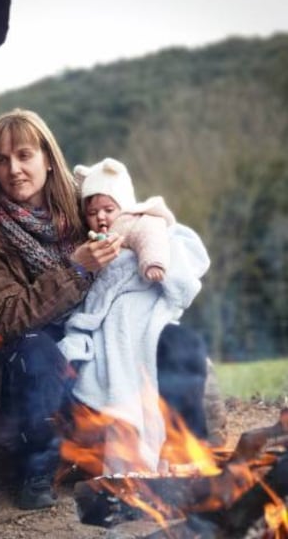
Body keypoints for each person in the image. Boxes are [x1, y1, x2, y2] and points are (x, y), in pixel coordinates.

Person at [0, 109, 124, 510]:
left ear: (48, 157)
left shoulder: (85, 201)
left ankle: (165, 455)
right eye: (2, 160)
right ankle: (37, 472)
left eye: (24, 155)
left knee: (157, 339)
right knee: (37, 351)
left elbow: (137, 219)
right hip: (22, 345)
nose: (14, 169)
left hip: (93, 321)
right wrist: (77, 266)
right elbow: (9, 316)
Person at [57, 157, 211, 474]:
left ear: (123, 207)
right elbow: (86, 286)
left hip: (146, 311)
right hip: (110, 323)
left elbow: (151, 240)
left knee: (182, 350)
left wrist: (152, 264)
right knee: (102, 368)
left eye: (108, 209)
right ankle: (125, 457)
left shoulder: (136, 222)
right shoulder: (88, 243)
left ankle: (185, 451)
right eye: (92, 211)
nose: (101, 217)